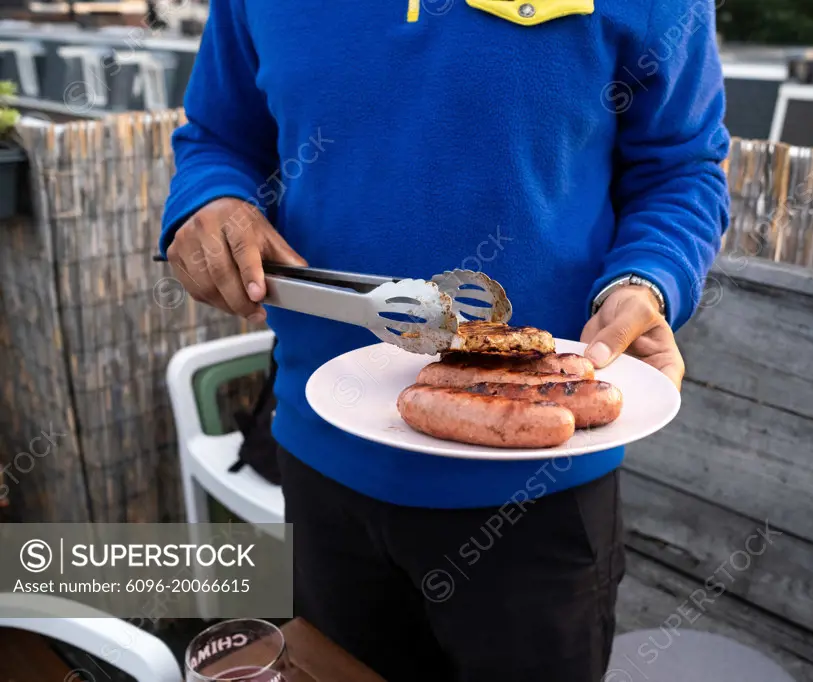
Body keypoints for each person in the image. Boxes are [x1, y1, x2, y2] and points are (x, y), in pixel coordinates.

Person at [160, 0, 729, 679]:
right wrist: (210, 200)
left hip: (540, 497)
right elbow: (219, 137)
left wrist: (646, 279)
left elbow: (684, 167)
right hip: (319, 470)